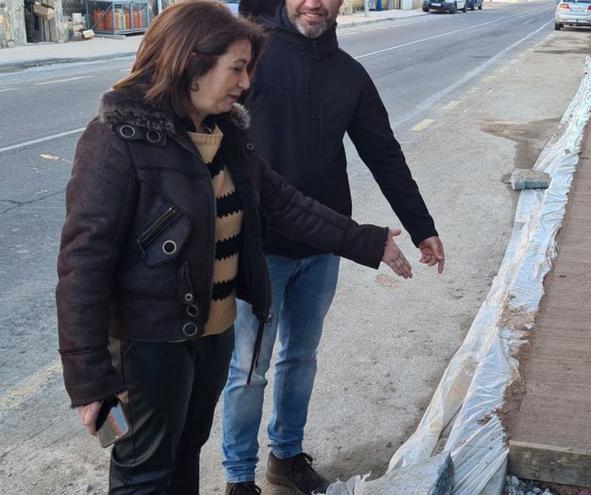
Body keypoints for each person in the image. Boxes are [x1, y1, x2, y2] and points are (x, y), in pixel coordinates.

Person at [55, 2, 412, 493]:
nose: (245, 84)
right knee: (145, 474)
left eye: (248, 69)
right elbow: (82, 262)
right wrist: (88, 376)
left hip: (211, 334)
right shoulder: (119, 137)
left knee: (184, 456)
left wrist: (367, 241)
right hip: (151, 344)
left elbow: (285, 205)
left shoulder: (225, 136)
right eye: (237, 68)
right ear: (192, 62)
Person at [220, 0, 445, 492]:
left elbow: (383, 153)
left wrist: (421, 225)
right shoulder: (251, 63)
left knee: (300, 357)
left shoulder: (350, 75)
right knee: (248, 369)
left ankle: (286, 456)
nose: (314, 3)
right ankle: (239, 477)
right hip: (258, 249)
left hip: (322, 246)